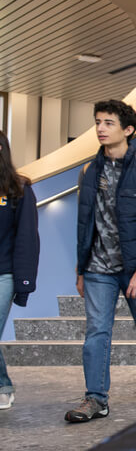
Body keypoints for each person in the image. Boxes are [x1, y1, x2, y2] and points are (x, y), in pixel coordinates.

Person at [66, 99, 136, 423]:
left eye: (108, 123)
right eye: (98, 122)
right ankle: (96, 398)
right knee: (97, 331)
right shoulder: (88, 171)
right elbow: (84, 224)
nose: (100, 128)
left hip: (135, 267)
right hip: (98, 268)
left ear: (128, 130)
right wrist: (80, 268)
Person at [0, 131, 39, 411]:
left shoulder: (20, 189)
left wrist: (24, 283)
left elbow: (27, 238)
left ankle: (3, 387)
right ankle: (3, 384)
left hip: (4, 275)